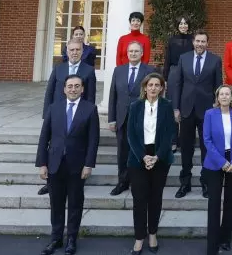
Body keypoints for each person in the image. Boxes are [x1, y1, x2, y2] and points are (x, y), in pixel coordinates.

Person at [35, 75, 100, 255]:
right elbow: (44, 137)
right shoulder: (54, 108)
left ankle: (72, 239)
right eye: (70, 86)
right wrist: (42, 163)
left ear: (82, 89)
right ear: (64, 89)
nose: (73, 89)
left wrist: (89, 165)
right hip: (54, 164)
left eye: (77, 86)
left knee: (75, 204)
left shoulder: (90, 109)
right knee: (56, 204)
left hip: (77, 166)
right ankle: (56, 238)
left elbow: (93, 140)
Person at [39, 39, 97, 196]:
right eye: (71, 50)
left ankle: (77, 180)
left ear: (82, 52)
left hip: (79, 118)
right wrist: (47, 116)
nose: (74, 52)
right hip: (57, 116)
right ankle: (50, 182)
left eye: (78, 49)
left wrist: (89, 117)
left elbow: (90, 97)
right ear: (66, 51)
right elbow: (49, 93)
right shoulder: (58, 69)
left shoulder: (89, 70)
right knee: (54, 148)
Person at [126, 73, 175, 255]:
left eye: (157, 85)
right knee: (139, 199)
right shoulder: (135, 106)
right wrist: (143, 156)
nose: (153, 88)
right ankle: (139, 238)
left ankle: (152, 234)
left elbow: (170, 132)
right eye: (150, 85)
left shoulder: (167, 106)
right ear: (144, 87)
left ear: (162, 88)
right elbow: (130, 134)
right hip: (138, 157)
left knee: (155, 198)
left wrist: (157, 156)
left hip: (160, 157)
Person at [171, 29, 223, 198]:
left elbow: (218, 87)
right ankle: (185, 183)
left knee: (206, 148)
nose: (200, 44)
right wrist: (176, 108)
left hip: (207, 111)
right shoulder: (183, 59)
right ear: (193, 42)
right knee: (186, 148)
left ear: (207, 43)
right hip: (186, 110)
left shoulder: (215, 60)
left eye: (203, 42)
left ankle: (205, 182)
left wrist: (217, 108)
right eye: (197, 41)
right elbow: (177, 84)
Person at [203, 85, 232, 255]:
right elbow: (207, 140)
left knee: (229, 201)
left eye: (227, 94)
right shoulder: (210, 114)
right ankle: (212, 244)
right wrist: (222, 162)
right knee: (214, 203)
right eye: (221, 94)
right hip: (215, 162)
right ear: (217, 97)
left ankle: (225, 239)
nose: (224, 96)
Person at [108, 42, 154, 196]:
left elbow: (155, 96)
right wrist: (111, 119)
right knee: (122, 152)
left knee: (140, 150)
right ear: (127, 53)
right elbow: (113, 95)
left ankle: (139, 182)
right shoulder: (118, 70)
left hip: (142, 119)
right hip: (122, 118)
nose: (133, 53)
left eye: (136, 51)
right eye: (131, 51)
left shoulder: (149, 71)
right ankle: (123, 182)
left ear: (142, 53)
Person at [163, 15, 194, 153]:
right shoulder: (171, 40)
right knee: (173, 106)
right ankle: (173, 140)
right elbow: (167, 60)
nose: (183, 26)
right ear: (177, 25)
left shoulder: (193, 40)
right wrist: (164, 78)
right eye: (181, 23)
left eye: (185, 23)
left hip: (188, 74)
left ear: (188, 25)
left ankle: (184, 140)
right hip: (174, 73)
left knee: (186, 106)